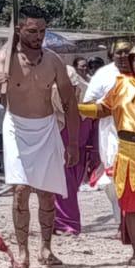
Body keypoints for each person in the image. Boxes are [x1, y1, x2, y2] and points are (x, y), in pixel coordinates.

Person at [0, 4, 80, 268]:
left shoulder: (52, 60)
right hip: (17, 127)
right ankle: (22, 252)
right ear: (19, 29)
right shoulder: (5, 57)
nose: (38, 36)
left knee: (46, 193)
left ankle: (45, 248)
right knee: (20, 190)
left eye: (42, 30)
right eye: (32, 30)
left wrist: (73, 141)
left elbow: (69, 102)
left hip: (46, 128)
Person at [81, 43, 135, 263]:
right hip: (127, 151)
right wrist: (77, 108)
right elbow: (102, 109)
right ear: (132, 63)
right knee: (134, 206)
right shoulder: (121, 84)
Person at [83, 43, 132, 219]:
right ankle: (121, 220)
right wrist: (109, 106)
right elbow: (88, 102)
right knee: (114, 178)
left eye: (127, 51)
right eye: (119, 52)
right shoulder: (104, 74)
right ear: (112, 55)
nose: (124, 55)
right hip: (111, 132)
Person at [54, 50, 98, 237]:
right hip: (60, 155)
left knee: (70, 189)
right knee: (63, 189)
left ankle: (66, 223)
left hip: (79, 155)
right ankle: (65, 224)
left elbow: (92, 131)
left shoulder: (86, 110)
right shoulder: (54, 114)